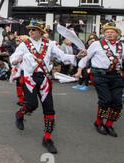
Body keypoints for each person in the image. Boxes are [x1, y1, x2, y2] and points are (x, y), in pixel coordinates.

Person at [10, 19, 86, 154]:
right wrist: (15, 61)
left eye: (34, 29)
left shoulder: (49, 44)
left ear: (40, 31)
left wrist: (76, 56)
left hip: (44, 79)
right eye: (30, 29)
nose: (31, 31)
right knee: (32, 105)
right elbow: (14, 57)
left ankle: (47, 138)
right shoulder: (24, 45)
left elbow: (61, 56)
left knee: (49, 110)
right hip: (29, 78)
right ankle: (19, 114)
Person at [75, 22, 123, 138]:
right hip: (99, 75)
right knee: (106, 100)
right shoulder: (96, 44)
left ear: (117, 34)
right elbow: (87, 57)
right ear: (103, 34)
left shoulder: (121, 46)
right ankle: (98, 123)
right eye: (107, 32)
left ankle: (109, 124)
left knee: (117, 103)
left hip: (116, 75)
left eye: (112, 32)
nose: (109, 34)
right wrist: (80, 70)